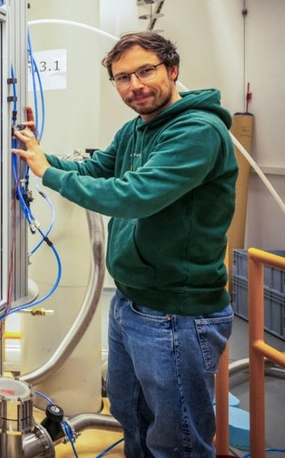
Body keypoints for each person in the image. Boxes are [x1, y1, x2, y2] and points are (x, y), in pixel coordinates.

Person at [13, 31, 237, 457]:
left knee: (178, 441)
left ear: (172, 70)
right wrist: (41, 154)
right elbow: (98, 168)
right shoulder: (138, 128)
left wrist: (48, 174)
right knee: (132, 419)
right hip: (131, 304)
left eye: (145, 71)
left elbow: (132, 195)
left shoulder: (198, 132)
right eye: (122, 78)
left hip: (177, 313)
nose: (134, 85)